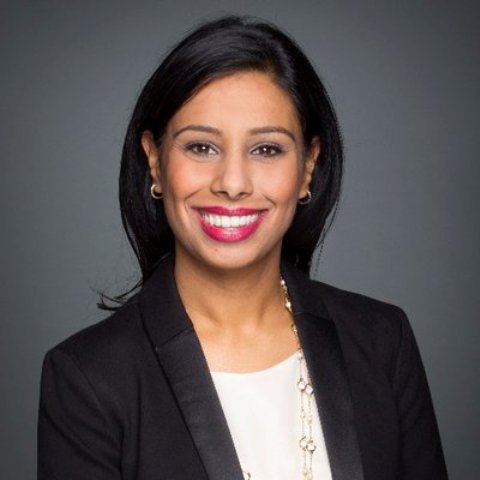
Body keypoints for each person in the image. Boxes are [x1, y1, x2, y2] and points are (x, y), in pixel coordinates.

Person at [37, 16, 448, 480]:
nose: (232, 184)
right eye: (201, 147)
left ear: (308, 168)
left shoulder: (382, 341)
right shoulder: (89, 378)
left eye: (266, 149)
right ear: (154, 160)